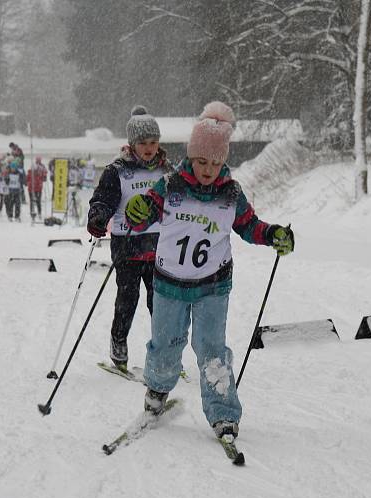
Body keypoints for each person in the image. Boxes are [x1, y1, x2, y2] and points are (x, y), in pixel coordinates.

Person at [123, 102, 294, 441]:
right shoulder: (170, 185)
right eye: (202, 161)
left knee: (212, 349)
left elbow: (249, 226)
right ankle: (156, 392)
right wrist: (135, 210)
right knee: (165, 345)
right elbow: (139, 219)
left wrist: (273, 234)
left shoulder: (231, 193)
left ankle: (223, 414)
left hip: (212, 288)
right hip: (169, 284)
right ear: (191, 156)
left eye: (215, 163)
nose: (208, 170)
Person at [86, 105, 173, 372]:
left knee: (159, 301)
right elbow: (104, 198)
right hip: (127, 245)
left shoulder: (166, 170)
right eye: (143, 143)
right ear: (131, 144)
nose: (149, 148)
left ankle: (165, 351)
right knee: (128, 298)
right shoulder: (118, 170)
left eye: (153, 142)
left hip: (158, 245)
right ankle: (119, 341)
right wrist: (98, 216)